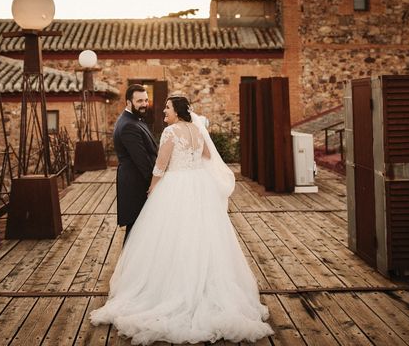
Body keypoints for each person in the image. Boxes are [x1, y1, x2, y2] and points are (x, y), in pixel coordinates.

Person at [91, 96, 273, 344]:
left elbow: (160, 165)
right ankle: (206, 289)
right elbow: (208, 156)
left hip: (175, 186)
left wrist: (153, 188)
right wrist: (195, 168)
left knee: (171, 237)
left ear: (177, 111)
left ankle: (168, 291)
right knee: (203, 236)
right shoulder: (198, 130)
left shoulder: (170, 132)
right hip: (199, 185)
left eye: (167, 107)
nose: (164, 110)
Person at [113, 84, 159, 242]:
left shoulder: (133, 119)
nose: (145, 104)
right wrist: (157, 183)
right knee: (135, 232)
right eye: (139, 101)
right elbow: (143, 162)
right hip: (137, 185)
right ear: (128, 102)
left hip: (137, 181)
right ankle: (128, 266)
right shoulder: (128, 125)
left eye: (146, 100)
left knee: (140, 230)